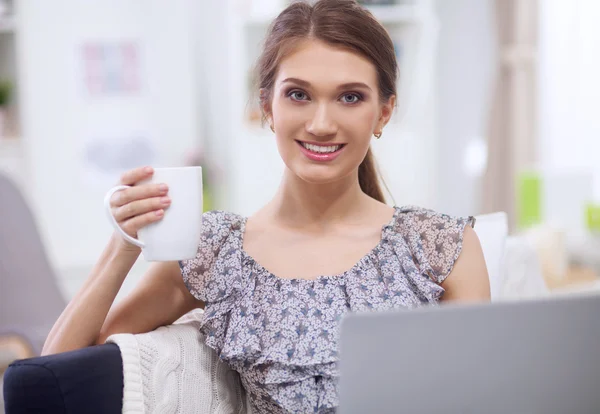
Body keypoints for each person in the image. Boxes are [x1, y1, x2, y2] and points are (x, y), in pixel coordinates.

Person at [43, 0, 490, 412]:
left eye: (350, 97)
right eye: (298, 94)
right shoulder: (216, 252)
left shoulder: (439, 246)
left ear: (384, 113)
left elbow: (482, 396)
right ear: (267, 107)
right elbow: (53, 380)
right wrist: (123, 243)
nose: (321, 123)